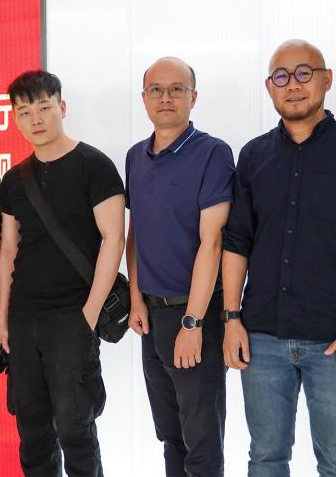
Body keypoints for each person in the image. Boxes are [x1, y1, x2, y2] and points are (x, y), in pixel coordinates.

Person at [222, 39, 336, 476]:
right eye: (281, 76)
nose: (293, 85)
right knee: (265, 458)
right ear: (269, 87)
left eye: (304, 73)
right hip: (262, 337)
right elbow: (237, 242)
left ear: (326, 80)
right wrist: (231, 319)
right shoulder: (253, 156)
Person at [0, 70, 125, 477]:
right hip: (24, 319)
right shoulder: (14, 179)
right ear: (15, 119)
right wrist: (3, 320)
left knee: (76, 431)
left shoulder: (95, 165)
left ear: (62, 107)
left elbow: (114, 239)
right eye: (24, 112)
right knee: (32, 432)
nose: (35, 119)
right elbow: (8, 250)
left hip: (73, 316)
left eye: (43, 107)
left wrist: (88, 315)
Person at [125, 58, 233, 476]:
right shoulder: (135, 157)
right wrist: (136, 298)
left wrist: (193, 321)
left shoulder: (212, 153)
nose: (165, 97)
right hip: (151, 316)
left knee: (201, 441)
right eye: (156, 89)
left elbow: (213, 241)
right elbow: (136, 232)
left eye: (177, 89)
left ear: (193, 97)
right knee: (170, 435)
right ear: (144, 98)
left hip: (194, 315)